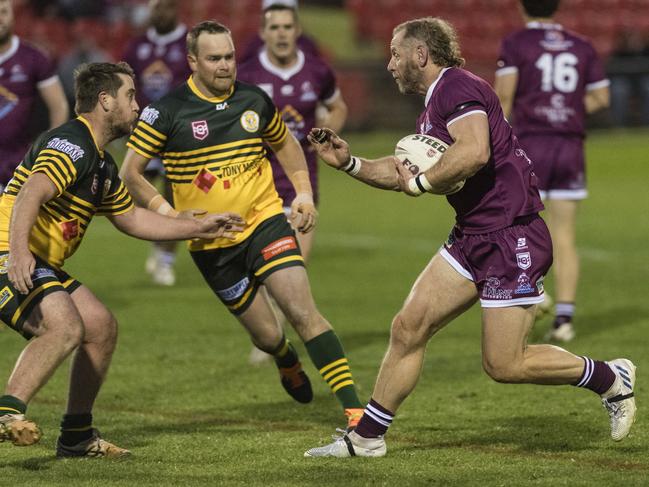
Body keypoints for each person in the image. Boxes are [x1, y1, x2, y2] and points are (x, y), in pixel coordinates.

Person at [303, 17, 636, 458]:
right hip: (473, 235)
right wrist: (351, 164)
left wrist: (421, 186)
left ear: (420, 54)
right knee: (408, 326)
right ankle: (366, 437)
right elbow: (407, 169)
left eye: (395, 54)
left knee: (505, 364)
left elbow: (474, 150)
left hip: (511, 235)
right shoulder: (435, 101)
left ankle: (611, 378)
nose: (389, 65)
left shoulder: (457, 87)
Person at [120, 21, 365, 429]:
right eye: (214, 58)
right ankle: (285, 359)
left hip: (265, 222)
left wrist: (302, 193)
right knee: (267, 337)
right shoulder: (166, 111)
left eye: (229, 56)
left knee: (304, 311)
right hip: (212, 244)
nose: (225, 65)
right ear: (193, 61)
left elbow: (286, 143)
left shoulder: (254, 100)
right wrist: (172, 215)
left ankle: (356, 412)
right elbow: (131, 174)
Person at [0, 61, 244, 457]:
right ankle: (7, 413)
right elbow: (31, 192)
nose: (137, 104)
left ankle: (76, 436)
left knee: (100, 326)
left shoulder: (100, 162)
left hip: (37, 260)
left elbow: (130, 218)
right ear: (105, 100)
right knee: (64, 326)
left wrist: (197, 226)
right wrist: (19, 253)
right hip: (8, 254)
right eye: (130, 95)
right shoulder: (72, 143)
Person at [493, 0, 610, 342]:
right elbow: (601, 97)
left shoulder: (516, 43)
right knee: (565, 234)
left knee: (515, 227)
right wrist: (568, 111)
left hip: (530, 144)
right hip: (570, 146)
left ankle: (535, 294)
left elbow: (503, 98)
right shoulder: (582, 44)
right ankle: (565, 320)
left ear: (521, 6)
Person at [238, 2, 348, 364]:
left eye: (288, 26)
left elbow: (338, 107)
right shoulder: (249, 75)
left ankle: (271, 339)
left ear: (297, 30)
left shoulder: (316, 71)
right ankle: (269, 334)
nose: (282, 33)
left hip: (303, 186)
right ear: (264, 33)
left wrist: (328, 135)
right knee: (259, 269)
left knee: (294, 266)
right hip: (257, 185)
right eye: (275, 27)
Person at [122, 0, 192, 286]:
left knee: (175, 195)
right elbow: (125, 85)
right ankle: (158, 237)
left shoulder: (190, 43)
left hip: (181, 132)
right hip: (147, 131)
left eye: (165, 7)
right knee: (139, 188)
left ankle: (166, 260)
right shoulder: (137, 46)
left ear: (175, 9)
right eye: (156, 7)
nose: (160, 13)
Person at [0, 0, 69, 192]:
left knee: (15, 221)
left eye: (3, 12)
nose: (0, 19)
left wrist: (50, 150)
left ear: (13, 16)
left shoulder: (33, 58)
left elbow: (59, 107)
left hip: (18, 163)